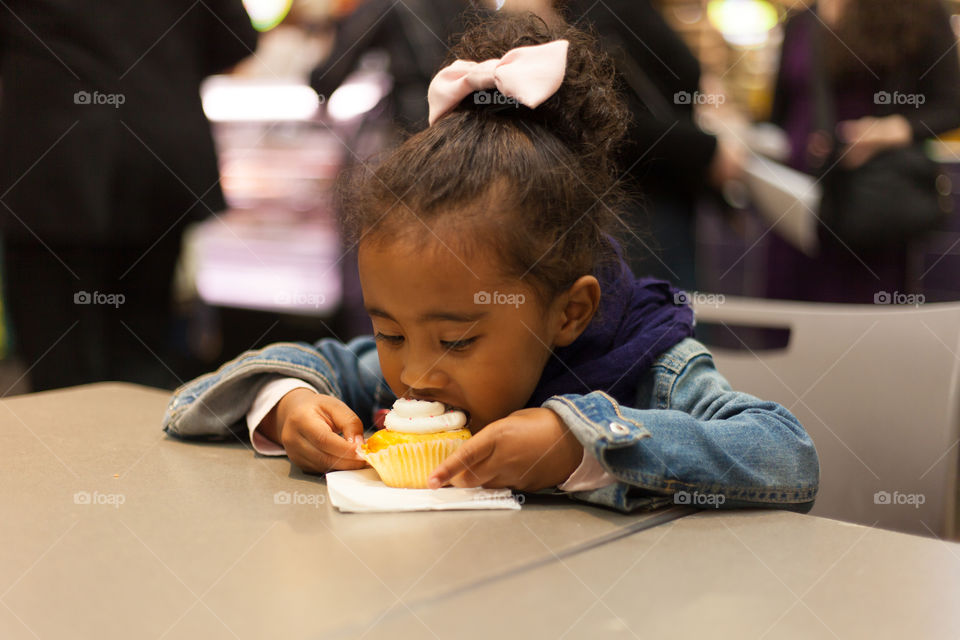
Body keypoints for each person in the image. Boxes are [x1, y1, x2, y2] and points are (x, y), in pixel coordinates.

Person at [163, 14, 818, 512]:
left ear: (570, 311)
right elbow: (192, 401)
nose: (415, 372)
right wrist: (285, 404)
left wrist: (577, 445)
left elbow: (787, 457)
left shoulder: (651, 369)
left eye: (455, 339)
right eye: (388, 331)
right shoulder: (405, 376)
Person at [0, 0, 258, 390]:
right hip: (155, 151)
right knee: (143, 356)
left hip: (54, 161)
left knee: (59, 366)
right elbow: (236, 38)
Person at [766, 0, 960, 302]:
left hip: (868, 200)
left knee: (862, 316)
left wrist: (887, 131)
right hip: (801, 200)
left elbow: (951, 105)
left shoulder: (918, 11)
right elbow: (780, 113)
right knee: (794, 315)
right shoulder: (801, 22)